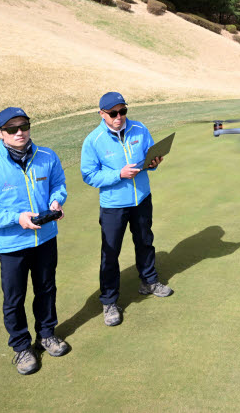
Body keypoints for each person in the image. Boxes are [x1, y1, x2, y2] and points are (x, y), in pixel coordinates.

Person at [0, 107, 71, 375]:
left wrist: (57, 200)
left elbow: (59, 184)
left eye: (24, 126)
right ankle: (22, 347)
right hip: (12, 245)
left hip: (45, 238)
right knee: (15, 298)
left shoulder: (47, 156)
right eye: (12, 129)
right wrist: (16, 218)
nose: (19, 132)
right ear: (0, 134)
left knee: (46, 288)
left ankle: (46, 334)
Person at [81, 92, 172, 328]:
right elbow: (89, 175)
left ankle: (149, 282)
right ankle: (109, 301)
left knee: (145, 241)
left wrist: (153, 163)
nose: (119, 117)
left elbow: (149, 158)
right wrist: (118, 174)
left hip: (141, 198)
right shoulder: (94, 140)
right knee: (110, 253)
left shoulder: (140, 129)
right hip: (113, 205)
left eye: (123, 111)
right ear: (102, 114)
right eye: (113, 113)